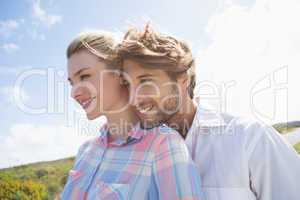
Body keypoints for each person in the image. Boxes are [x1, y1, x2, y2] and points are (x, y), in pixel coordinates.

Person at [117, 24, 300, 200]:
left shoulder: (249, 138)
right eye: (128, 85)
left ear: (183, 79)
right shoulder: (138, 159)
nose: (134, 99)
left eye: (145, 81)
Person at [61, 31, 203, 200]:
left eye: (84, 76)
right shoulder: (86, 150)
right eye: (72, 82)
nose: (74, 93)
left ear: (120, 75)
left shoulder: (163, 145)